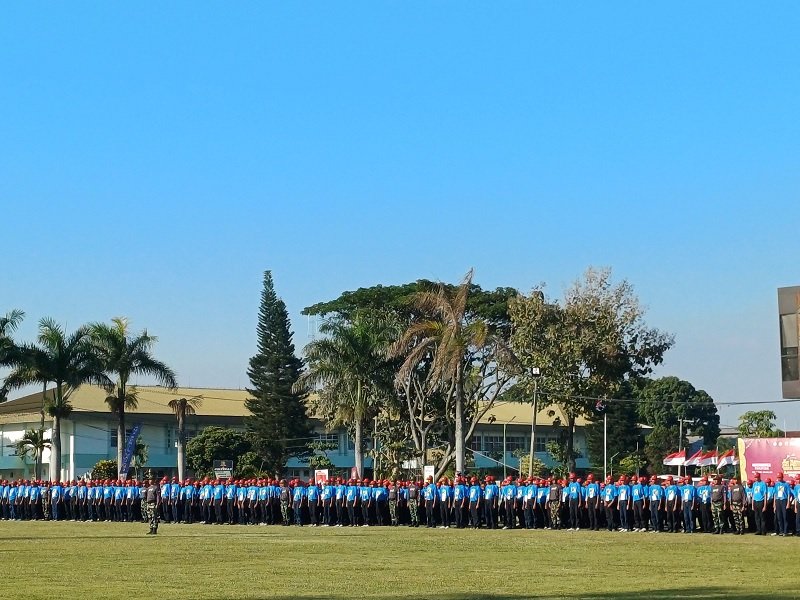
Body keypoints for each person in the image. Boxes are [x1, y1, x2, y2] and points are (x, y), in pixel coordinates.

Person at [773, 472, 791, 536]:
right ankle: (781, 531)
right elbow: (775, 494)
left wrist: (788, 503)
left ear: (782, 477)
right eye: (778, 477)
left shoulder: (786, 484)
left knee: (785, 516)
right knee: (779, 517)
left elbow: (788, 494)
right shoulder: (776, 484)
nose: (779, 479)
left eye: (780, 477)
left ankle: (785, 531)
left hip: (784, 500)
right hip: (778, 501)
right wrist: (774, 504)